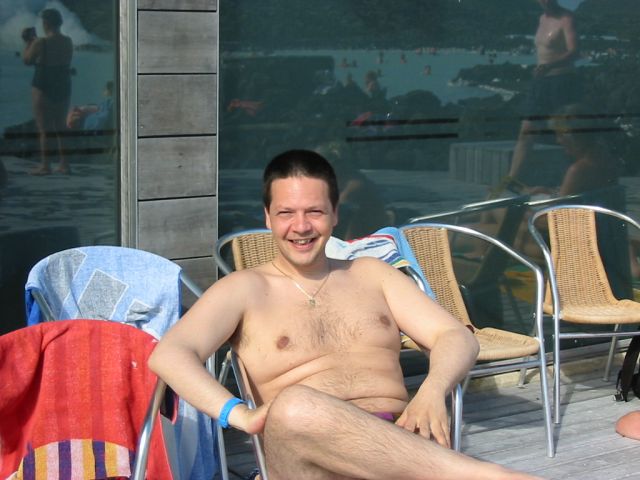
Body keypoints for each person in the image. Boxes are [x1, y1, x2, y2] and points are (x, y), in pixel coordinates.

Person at [149, 149, 541, 479]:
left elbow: (455, 336)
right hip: (307, 461)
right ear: (267, 217)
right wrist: (238, 415)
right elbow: (170, 354)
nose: (301, 226)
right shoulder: (244, 289)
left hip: (402, 449)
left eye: (314, 211)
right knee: (294, 406)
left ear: (335, 214)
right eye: (286, 213)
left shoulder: (373, 275)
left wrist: (433, 389)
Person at [506, 0, 581, 188]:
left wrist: (551, 65)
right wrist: (544, 68)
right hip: (541, 83)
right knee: (526, 131)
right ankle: (512, 179)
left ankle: (578, 177)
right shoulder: (542, 19)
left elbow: (574, 52)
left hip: (561, 81)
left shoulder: (567, 19)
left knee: (567, 132)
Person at [22, 8, 73, 175]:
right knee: (60, 127)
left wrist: (28, 42)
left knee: (44, 128)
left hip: (43, 84)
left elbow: (27, 60)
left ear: (46, 23)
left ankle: (45, 166)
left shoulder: (40, 42)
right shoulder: (68, 41)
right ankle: (64, 164)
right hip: (63, 84)